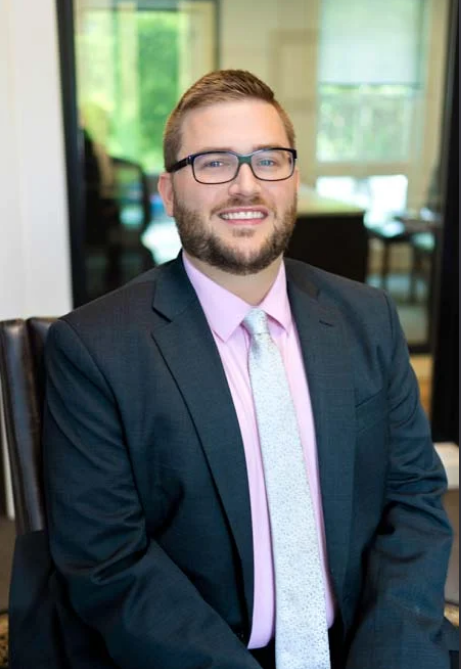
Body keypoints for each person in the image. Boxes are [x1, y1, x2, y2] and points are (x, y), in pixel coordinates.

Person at [37, 70, 457, 669]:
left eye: (268, 160)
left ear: (293, 179)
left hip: (366, 645)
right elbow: (108, 561)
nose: (246, 186)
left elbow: (413, 497)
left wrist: (391, 655)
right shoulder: (95, 349)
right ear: (169, 192)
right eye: (213, 163)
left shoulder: (368, 318)